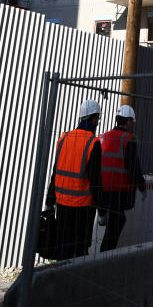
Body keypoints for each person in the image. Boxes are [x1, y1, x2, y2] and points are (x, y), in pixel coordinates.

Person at [45, 100, 103, 259]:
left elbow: (55, 172)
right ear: (93, 118)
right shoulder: (93, 143)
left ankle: (60, 276)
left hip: (62, 204)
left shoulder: (63, 139)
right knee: (80, 249)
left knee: (64, 245)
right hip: (82, 208)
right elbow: (95, 181)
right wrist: (102, 211)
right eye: (98, 119)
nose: (97, 122)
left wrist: (50, 201)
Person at [97, 104, 146, 252]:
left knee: (115, 222)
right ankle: (104, 257)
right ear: (129, 121)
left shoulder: (104, 136)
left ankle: (104, 254)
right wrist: (142, 187)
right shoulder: (129, 139)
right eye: (133, 122)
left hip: (103, 190)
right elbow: (133, 166)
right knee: (116, 224)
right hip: (119, 192)